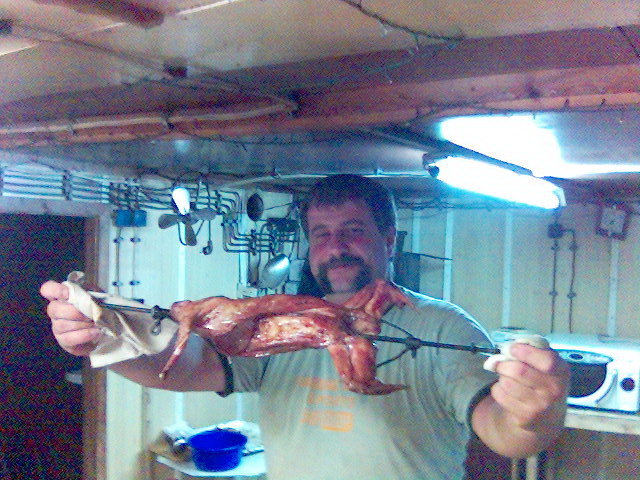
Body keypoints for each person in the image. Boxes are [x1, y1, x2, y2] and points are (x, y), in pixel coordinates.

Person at [41, 174, 569, 480]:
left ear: (389, 239)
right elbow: (183, 367)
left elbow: (504, 432)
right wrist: (106, 339)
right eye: (321, 234)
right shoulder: (280, 326)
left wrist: (535, 412)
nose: (335, 247)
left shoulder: (443, 327)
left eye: (353, 230)